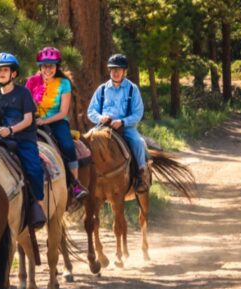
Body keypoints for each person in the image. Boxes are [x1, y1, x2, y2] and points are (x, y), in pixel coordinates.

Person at [0, 52, 46, 228]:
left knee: (34, 169)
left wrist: (11, 130)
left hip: (23, 138)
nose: (2, 73)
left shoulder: (23, 93)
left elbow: (28, 119)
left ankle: (38, 205)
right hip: (3, 138)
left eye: (5, 70)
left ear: (13, 73)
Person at [25, 47, 88, 202]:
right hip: (32, 122)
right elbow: (25, 104)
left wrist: (44, 121)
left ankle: (75, 185)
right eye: (45, 66)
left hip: (57, 121)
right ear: (40, 66)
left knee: (67, 146)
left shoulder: (64, 83)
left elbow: (63, 112)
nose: (48, 69)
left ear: (57, 66)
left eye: (51, 66)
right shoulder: (31, 82)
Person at [87, 53, 150, 192]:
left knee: (138, 142)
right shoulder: (102, 89)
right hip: (103, 127)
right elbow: (91, 111)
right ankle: (83, 178)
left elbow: (138, 113)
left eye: (119, 69)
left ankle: (141, 173)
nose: (115, 72)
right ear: (109, 71)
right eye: (113, 69)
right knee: (85, 141)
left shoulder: (132, 89)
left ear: (124, 71)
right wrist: (100, 118)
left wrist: (123, 121)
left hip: (125, 127)